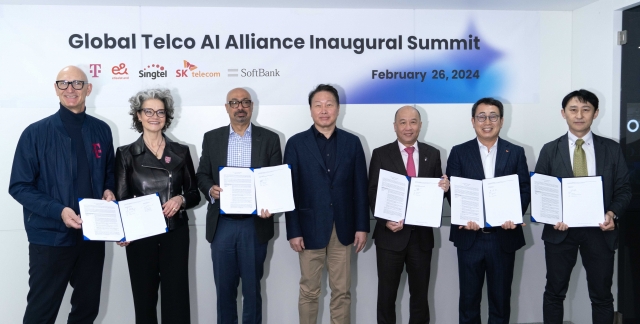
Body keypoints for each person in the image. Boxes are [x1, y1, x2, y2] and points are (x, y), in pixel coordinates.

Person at [9, 65, 115, 323]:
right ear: (55, 89)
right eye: (64, 84)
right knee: (41, 312)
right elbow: (19, 186)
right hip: (50, 237)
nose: (71, 89)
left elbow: (109, 172)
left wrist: (109, 190)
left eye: (77, 84)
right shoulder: (35, 133)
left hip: (92, 236)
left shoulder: (102, 130)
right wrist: (59, 211)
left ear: (88, 89)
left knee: (87, 309)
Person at [535, 89, 631, 324]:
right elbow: (541, 190)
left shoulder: (611, 148)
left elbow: (624, 189)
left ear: (595, 113)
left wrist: (612, 213)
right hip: (560, 231)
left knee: (601, 297)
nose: (579, 115)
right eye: (573, 109)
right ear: (563, 113)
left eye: (586, 109)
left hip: (600, 231)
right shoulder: (550, 149)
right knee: (554, 293)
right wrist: (551, 216)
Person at [284, 84, 369, 324]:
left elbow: (360, 188)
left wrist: (362, 226)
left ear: (338, 109)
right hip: (308, 230)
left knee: (342, 292)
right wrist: (294, 231)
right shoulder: (296, 144)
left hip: (343, 230)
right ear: (310, 110)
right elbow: (289, 191)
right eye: (318, 105)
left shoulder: (352, 143)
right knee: (309, 292)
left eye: (329, 104)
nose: (324, 110)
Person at [196, 87, 282, 324]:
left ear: (252, 106)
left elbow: (276, 181)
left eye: (245, 102)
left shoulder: (270, 139)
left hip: (255, 225)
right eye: (234, 103)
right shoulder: (211, 138)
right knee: (224, 291)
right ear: (227, 108)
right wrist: (211, 189)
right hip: (222, 224)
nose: (240, 107)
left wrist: (270, 204)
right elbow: (202, 174)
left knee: (252, 291)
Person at [114, 89, 200, 324]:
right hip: (141, 236)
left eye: (160, 111)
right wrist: (122, 231)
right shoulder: (125, 154)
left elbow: (194, 194)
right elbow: (121, 199)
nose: (155, 116)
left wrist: (180, 200)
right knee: (144, 300)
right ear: (138, 116)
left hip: (175, 233)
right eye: (148, 111)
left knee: (177, 299)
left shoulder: (181, 152)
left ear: (167, 116)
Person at [445, 97, 530, 324]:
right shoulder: (459, 152)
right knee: (469, 303)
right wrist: (465, 216)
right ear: (473, 121)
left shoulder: (516, 152)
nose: (487, 121)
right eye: (481, 116)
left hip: (503, 237)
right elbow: (452, 192)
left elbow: (524, 189)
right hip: (469, 237)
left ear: (502, 121)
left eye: (493, 116)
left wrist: (513, 214)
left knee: (501, 303)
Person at [368, 106, 449, 324]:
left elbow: (434, 197)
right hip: (389, 237)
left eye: (413, 122)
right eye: (402, 122)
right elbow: (373, 192)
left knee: (420, 298)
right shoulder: (380, 154)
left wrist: (443, 189)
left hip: (421, 238)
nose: (408, 127)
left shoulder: (433, 154)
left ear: (420, 125)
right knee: (386, 297)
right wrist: (385, 221)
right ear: (395, 126)